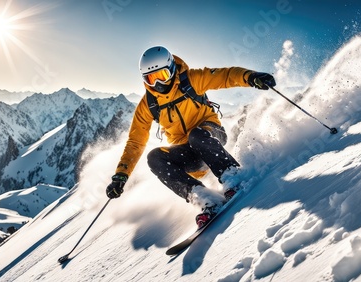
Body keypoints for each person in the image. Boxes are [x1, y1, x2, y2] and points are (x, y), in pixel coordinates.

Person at [106, 46, 275, 228]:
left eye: (161, 76)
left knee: (196, 135)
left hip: (210, 136)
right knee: (154, 157)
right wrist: (121, 175)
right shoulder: (148, 104)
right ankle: (204, 198)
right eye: (151, 79)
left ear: (171, 69)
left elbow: (225, 76)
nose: (157, 84)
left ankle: (232, 176)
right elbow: (135, 142)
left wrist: (251, 77)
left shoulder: (192, 80)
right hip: (188, 154)